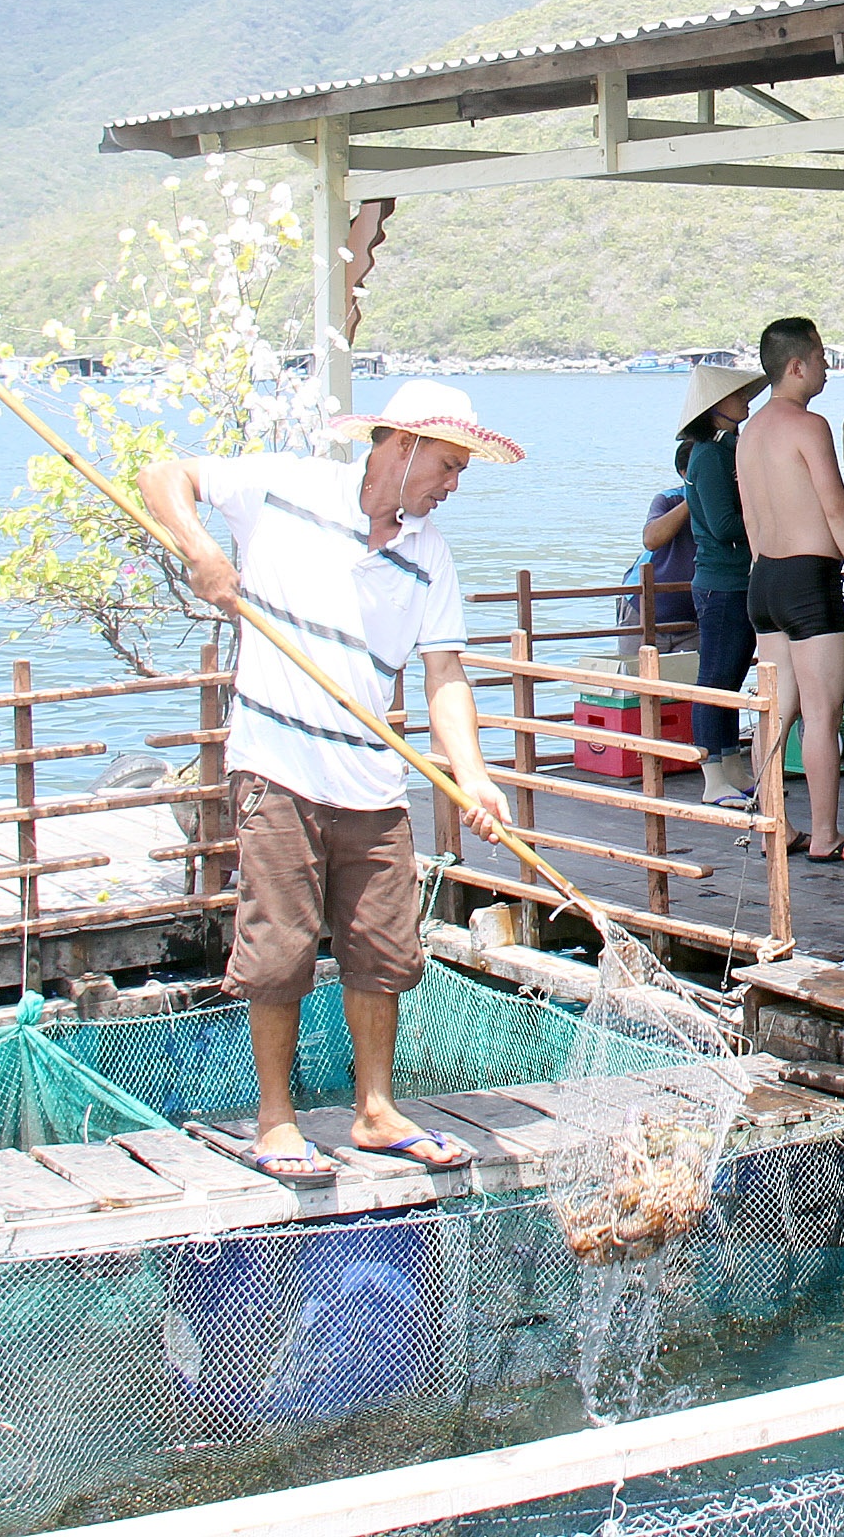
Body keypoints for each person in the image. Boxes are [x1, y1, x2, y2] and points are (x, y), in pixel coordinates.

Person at [136, 379, 520, 1185]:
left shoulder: (429, 556)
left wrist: (473, 777)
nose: (452, 486)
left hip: (372, 781)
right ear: (399, 445)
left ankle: (376, 1112)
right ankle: (275, 1120)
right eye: (446, 467)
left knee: (384, 951)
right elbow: (164, 476)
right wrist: (201, 551)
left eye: (460, 473)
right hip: (278, 768)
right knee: (277, 952)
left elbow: (445, 672)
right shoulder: (287, 488)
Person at [736, 317, 844, 863]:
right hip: (808, 579)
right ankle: (824, 834)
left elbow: (751, 515)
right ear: (796, 365)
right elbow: (835, 506)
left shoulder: (749, 432)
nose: (827, 366)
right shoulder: (810, 424)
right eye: (822, 357)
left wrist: (764, 570)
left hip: (764, 579)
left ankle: (771, 822)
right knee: (821, 716)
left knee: (773, 715)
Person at [677, 363, 763, 806]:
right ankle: (713, 777)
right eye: (738, 394)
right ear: (716, 407)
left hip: (734, 580)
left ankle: (731, 767)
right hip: (721, 582)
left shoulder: (727, 449)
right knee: (714, 677)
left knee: (729, 676)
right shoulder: (709, 455)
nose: (746, 400)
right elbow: (723, 522)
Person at [631, 481, 695, 652]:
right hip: (642, 608)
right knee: (635, 672)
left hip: (694, 618)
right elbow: (651, 540)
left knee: (688, 676)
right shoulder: (669, 499)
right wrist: (693, 500)